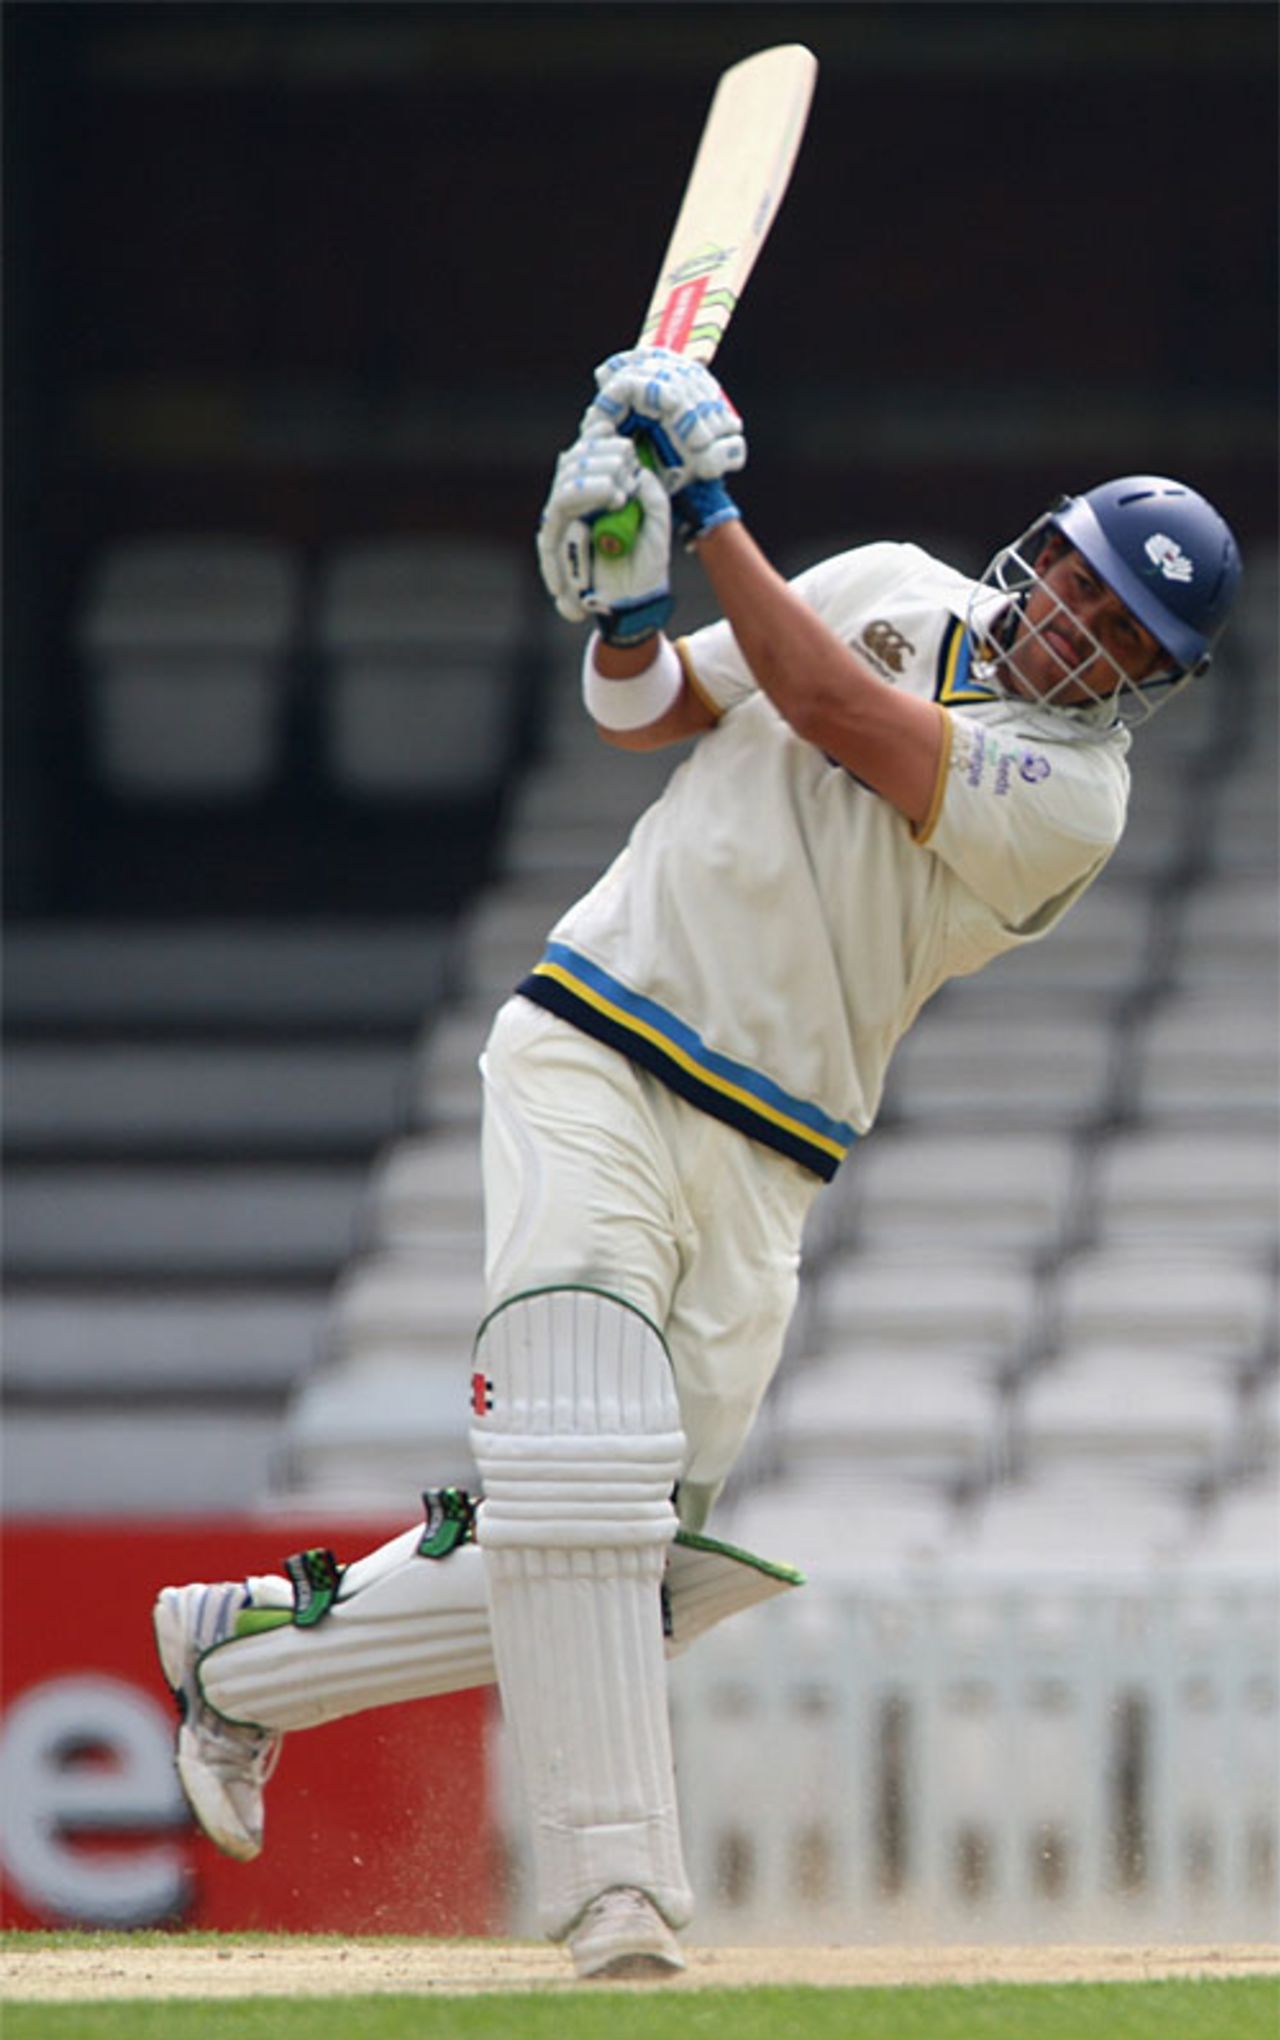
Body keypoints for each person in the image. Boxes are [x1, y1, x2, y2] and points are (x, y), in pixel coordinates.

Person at [152, 347, 1242, 1979]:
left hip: (771, 1161)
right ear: (1048, 550)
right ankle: (622, 1902)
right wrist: (622, 606)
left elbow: (833, 712)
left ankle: (243, 1661)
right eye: (1081, 588)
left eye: (1121, 641)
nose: (1079, 633)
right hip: (598, 1043)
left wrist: (709, 502)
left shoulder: (1074, 798)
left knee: (620, 1564)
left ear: (1145, 682)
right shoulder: (883, 579)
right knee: (581, 1468)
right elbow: (652, 716)